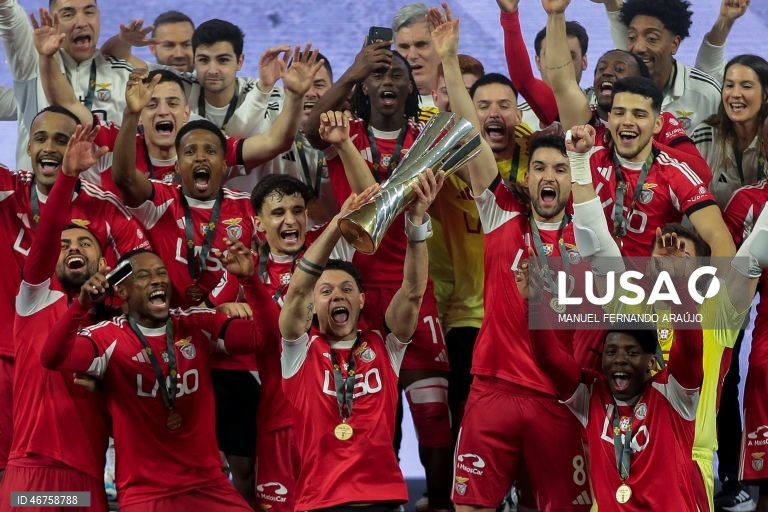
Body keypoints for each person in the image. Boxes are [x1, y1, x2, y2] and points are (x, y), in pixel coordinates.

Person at [428, 9, 591, 509]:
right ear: (528, 173)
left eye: (559, 168)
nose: (547, 175)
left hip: (557, 399)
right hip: (492, 390)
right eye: (539, 165)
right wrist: (450, 62)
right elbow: (470, 135)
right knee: (470, 506)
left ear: (574, 177)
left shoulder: (591, 238)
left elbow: (566, 95)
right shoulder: (500, 212)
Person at [567, 121, 759, 511]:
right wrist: (578, 162)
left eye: (682, 253)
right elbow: (594, 239)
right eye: (661, 251)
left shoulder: (718, 308)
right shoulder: (630, 301)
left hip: (686, 459)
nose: (669, 257)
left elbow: (755, 255)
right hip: (612, 457)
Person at [307, 43, 455, 510]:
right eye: (377, 75)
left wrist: (345, 145)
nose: (387, 82)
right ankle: (380, 499)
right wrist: (350, 71)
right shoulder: (341, 128)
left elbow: (384, 206)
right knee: (372, 412)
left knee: (433, 415)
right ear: (364, 88)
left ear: (413, 86)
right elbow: (310, 131)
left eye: (398, 74)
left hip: (414, 284)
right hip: (359, 289)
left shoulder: (429, 135)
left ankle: (438, 500)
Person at [40, 236, 281, 511]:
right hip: (146, 494)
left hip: (207, 485)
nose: (157, 280)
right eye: (143, 275)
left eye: (161, 273)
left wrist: (250, 281)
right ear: (122, 291)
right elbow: (52, 357)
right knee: (19, 500)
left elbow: (269, 339)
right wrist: (81, 305)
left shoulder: (197, 324)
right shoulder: (100, 335)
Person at [279, 164, 440, 510]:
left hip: (381, 498)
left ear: (361, 300)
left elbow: (412, 292)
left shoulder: (386, 346)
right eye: (326, 291)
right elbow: (296, 291)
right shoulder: (298, 351)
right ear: (314, 302)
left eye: (346, 289)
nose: (337, 295)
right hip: (320, 500)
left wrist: (416, 223)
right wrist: (338, 226)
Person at [0, 124, 112, 512]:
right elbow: (45, 236)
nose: (72, 248)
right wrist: (67, 177)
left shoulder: (116, 328)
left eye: (84, 242)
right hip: (35, 473)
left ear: (104, 262)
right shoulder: (34, 300)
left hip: (89, 479)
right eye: (65, 245)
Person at [578, 76, 733, 259]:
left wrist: (718, 287)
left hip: (645, 285)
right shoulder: (585, 154)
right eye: (619, 113)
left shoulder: (674, 173)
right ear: (610, 119)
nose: (627, 121)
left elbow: (720, 238)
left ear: (657, 124)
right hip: (584, 282)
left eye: (639, 114)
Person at [0, 0, 134, 169]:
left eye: (89, 12)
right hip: (37, 194)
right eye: (68, 14)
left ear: (100, 17)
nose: (81, 23)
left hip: (104, 194)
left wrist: (122, 42)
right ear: (51, 19)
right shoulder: (34, 65)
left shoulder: (126, 77)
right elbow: (10, 19)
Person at [227, 54, 338, 228]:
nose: (309, 92)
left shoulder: (343, 130)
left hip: (330, 238)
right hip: (271, 238)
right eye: (302, 83)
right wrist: (263, 87)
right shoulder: (268, 119)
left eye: (319, 85)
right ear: (285, 88)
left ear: (333, 90)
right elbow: (233, 137)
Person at [596, 0, 721, 133]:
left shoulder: (706, 94)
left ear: (674, 44)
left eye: (651, 39)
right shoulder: (608, 90)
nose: (638, 47)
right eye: (632, 37)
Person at [723, 173, 768, 512]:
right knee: (759, 371)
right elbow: (731, 273)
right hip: (755, 311)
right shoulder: (746, 202)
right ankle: (747, 484)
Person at [496, 0, 587, 130]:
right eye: (551, 55)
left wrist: (556, 15)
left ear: (584, 61)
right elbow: (523, 81)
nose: (561, 63)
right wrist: (509, 17)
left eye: (570, 56)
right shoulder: (520, 118)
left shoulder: (602, 104)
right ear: (538, 61)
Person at [692, 54, 768, 208]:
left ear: (765, 95)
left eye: (746, 86)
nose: (735, 94)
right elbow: (688, 197)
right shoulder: (705, 136)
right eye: (729, 85)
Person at [393, 3, 441, 120]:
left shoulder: (463, 100)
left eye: (421, 45)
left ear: (441, 46)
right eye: (404, 47)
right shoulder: (383, 104)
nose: (412, 56)